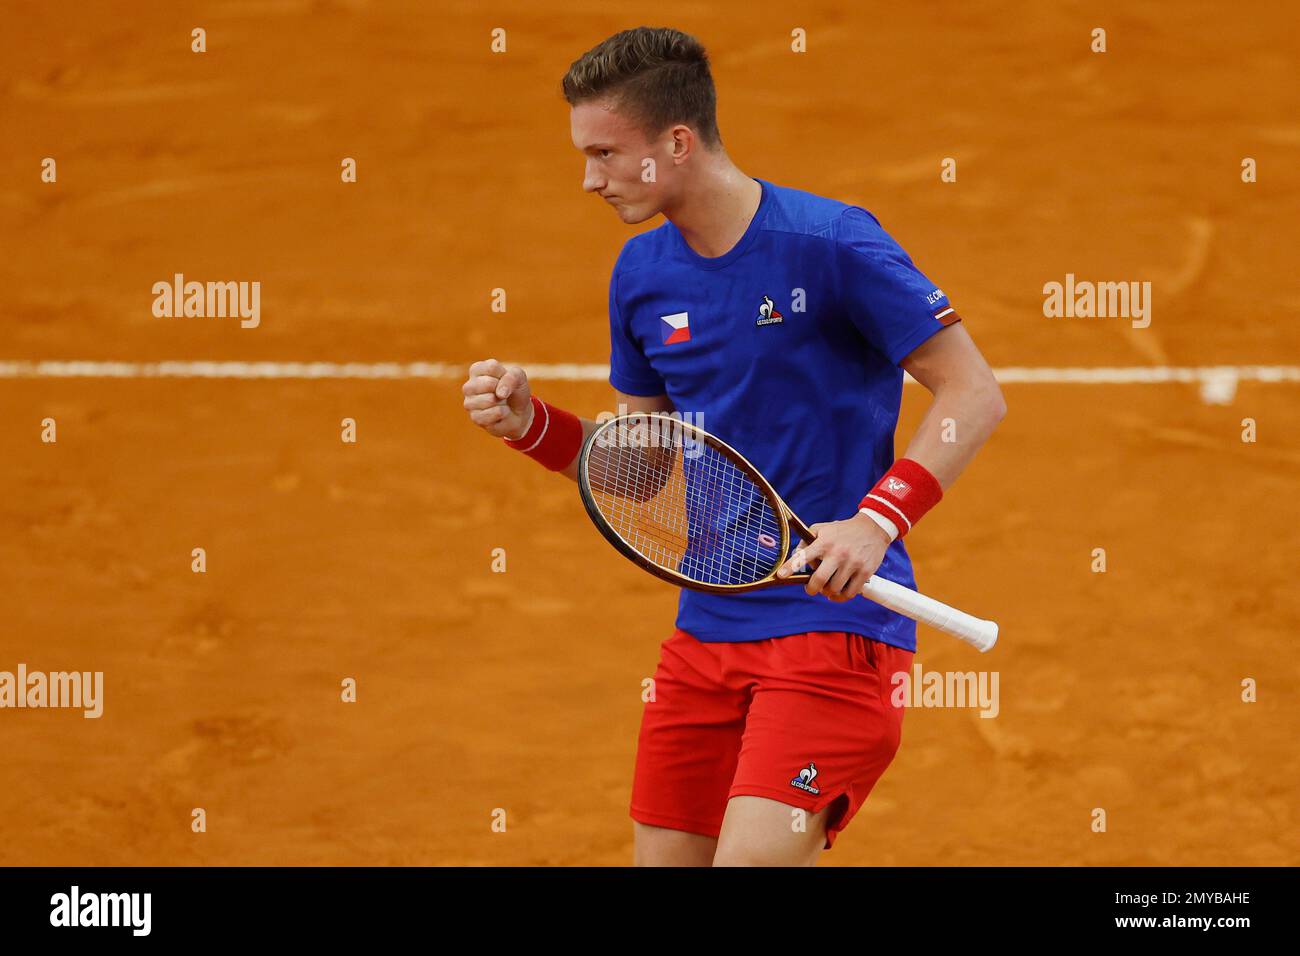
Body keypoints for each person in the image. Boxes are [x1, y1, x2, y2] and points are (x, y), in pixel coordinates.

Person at [462, 26, 1005, 866]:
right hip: (706, 632)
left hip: (838, 629)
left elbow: (973, 391)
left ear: (675, 144)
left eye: (606, 153)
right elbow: (640, 472)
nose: (588, 179)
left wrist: (875, 523)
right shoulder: (640, 276)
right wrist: (533, 427)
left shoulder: (832, 244)